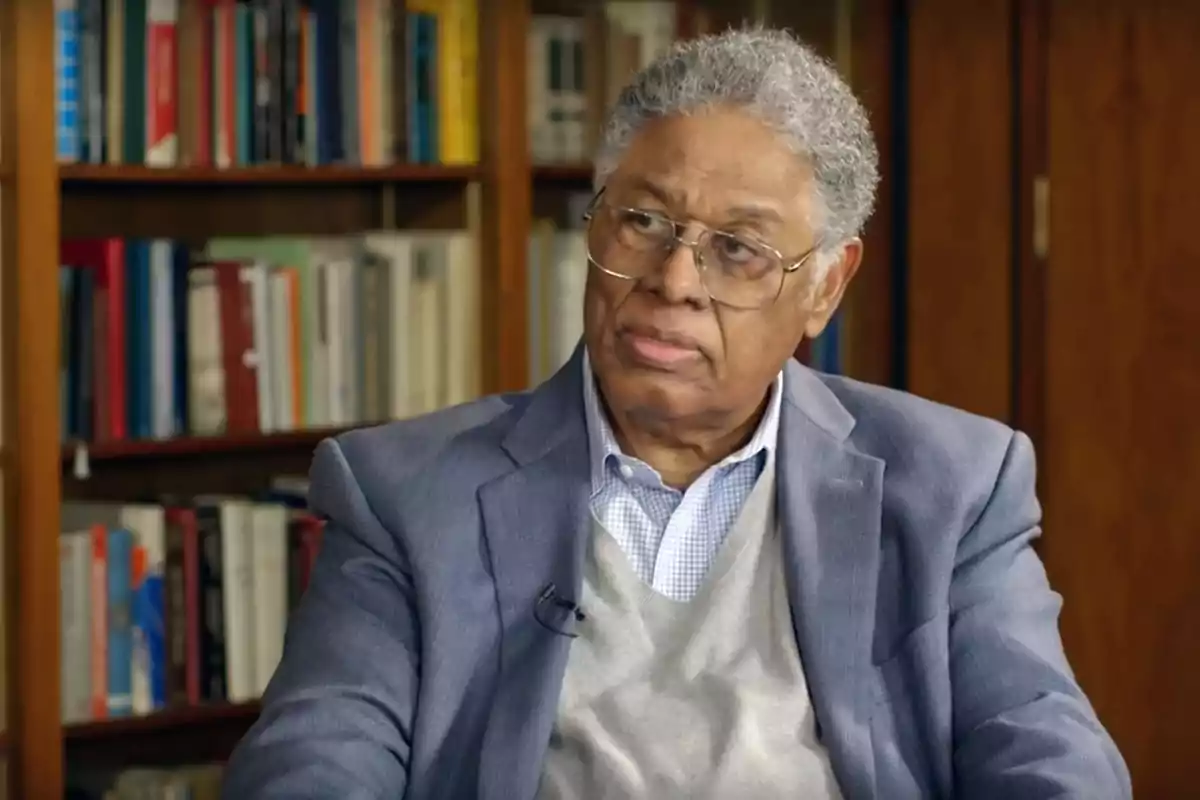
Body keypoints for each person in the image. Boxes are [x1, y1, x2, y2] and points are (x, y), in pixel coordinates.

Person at [222, 26, 1130, 800]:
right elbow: (311, 768)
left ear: (825, 285)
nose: (673, 283)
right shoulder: (403, 495)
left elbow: (1054, 763)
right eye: (644, 223)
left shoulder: (956, 484)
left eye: (737, 249)